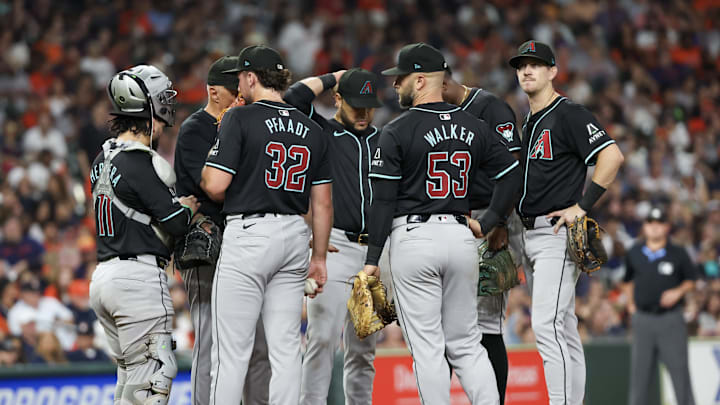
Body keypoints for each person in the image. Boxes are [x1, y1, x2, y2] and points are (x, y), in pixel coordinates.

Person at [363, 42, 521, 405]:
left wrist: (372, 259)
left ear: (420, 80)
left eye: (401, 77)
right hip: (460, 235)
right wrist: (491, 220)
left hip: (414, 237)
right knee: (466, 343)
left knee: (429, 349)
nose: (396, 84)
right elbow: (511, 173)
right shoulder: (474, 126)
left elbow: (384, 200)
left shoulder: (396, 130)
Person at [201, 45, 333, 404]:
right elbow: (322, 202)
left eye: (241, 77)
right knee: (286, 348)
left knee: (231, 353)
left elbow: (215, 185)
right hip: (293, 234)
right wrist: (319, 257)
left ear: (251, 78)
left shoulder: (239, 118)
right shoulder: (311, 127)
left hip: (250, 234)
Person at [508, 40, 625, 405]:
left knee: (546, 325)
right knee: (565, 327)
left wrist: (582, 206)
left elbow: (612, 156)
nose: (527, 70)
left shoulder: (569, 112)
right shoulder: (528, 119)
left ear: (553, 71)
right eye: (522, 65)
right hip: (529, 234)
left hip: (555, 233)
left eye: (536, 65)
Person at [89, 64, 199, 404]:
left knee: (130, 377)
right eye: (162, 116)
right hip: (138, 283)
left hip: (105, 278)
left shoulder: (102, 157)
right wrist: (190, 206)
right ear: (149, 112)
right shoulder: (140, 160)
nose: (164, 126)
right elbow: (177, 221)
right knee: (155, 373)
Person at [284, 67, 384, 405]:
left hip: (375, 253)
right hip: (337, 245)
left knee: (363, 346)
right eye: (356, 105)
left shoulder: (385, 138)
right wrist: (333, 77)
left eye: (370, 106)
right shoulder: (323, 131)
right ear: (338, 100)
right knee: (322, 338)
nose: (364, 113)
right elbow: (293, 98)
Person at [174, 55, 269, 405]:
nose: (242, 95)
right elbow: (215, 188)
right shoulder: (195, 129)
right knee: (211, 341)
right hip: (209, 246)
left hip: (247, 243)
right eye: (234, 89)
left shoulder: (246, 123)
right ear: (214, 91)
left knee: (259, 344)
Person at [443, 72, 522, 405]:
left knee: (487, 325)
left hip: (492, 222)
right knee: (445, 327)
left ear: (443, 82)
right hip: (455, 223)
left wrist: (500, 220)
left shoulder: (491, 108)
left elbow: (512, 168)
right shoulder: (436, 114)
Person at [623, 206, 696, 405]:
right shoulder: (635, 252)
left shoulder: (678, 253)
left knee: (679, 372)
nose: (654, 228)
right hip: (643, 319)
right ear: (645, 226)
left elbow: (691, 280)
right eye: (650, 223)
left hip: (670, 319)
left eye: (659, 223)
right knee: (640, 375)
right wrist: (630, 304)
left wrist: (678, 292)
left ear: (667, 227)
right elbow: (627, 280)